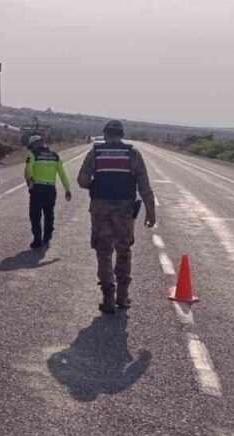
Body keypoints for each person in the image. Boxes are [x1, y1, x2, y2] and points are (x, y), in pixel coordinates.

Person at [76, 119, 156, 314]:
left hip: (100, 209)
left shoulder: (96, 153)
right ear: (121, 134)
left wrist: (96, 185)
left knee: (103, 252)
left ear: (105, 134)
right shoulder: (133, 154)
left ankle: (108, 297)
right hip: (124, 210)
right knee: (124, 250)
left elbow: (82, 180)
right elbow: (144, 186)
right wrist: (150, 211)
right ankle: (122, 296)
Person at [24, 133, 72, 248]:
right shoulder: (55, 156)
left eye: (32, 145)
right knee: (49, 214)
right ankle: (47, 237)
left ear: (35, 144)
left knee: (35, 214)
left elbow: (28, 171)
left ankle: (37, 240)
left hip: (37, 189)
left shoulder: (33, 155)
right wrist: (67, 189)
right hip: (51, 189)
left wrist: (29, 182)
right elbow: (62, 174)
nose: (32, 147)